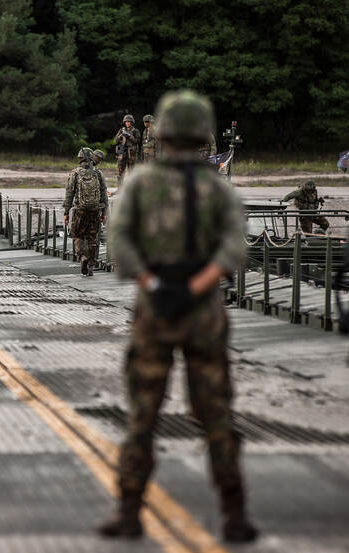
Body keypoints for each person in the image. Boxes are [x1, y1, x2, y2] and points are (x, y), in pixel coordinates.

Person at [103, 90, 258, 543]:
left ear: (162, 132)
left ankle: (130, 510)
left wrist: (154, 283)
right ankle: (234, 513)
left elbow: (121, 245)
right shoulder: (216, 186)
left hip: (155, 308)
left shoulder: (140, 184)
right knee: (215, 413)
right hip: (205, 308)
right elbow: (234, 248)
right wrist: (198, 284)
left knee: (143, 414)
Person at [64, 148, 108, 276]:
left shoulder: (75, 173)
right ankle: (91, 266)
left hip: (80, 210)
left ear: (80, 158)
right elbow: (104, 195)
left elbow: (69, 194)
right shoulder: (98, 173)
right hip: (95, 210)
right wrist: (104, 213)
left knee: (77, 235)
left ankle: (82, 256)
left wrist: (66, 212)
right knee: (92, 239)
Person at [114, 114, 140, 186]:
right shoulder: (121, 130)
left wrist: (129, 136)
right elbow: (115, 140)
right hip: (122, 153)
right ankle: (120, 187)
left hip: (131, 154)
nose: (127, 123)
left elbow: (137, 141)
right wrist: (121, 136)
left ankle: (131, 188)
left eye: (129, 122)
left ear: (132, 122)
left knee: (131, 172)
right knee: (120, 171)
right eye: (126, 122)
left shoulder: (135, 131)